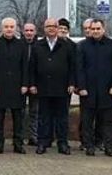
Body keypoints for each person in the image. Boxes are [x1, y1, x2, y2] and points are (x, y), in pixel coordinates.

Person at [29, 16, 78, 155]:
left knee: (62, 117)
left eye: (54, 26)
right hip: (43, 87)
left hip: (62, 88)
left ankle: (62, 143)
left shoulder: (67, 46)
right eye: (48, 26)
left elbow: (72, 67)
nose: (51, 29)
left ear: (57, 29)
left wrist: (72, 83)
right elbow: (31, 67)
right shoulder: (37, 45)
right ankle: (42, 143)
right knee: (44, 117)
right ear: (44, 29)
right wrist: (32, 84)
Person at [76, 18, 112, 157]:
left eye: (98, 29)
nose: (95, 31)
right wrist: (81, 87)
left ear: (103, 29)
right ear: (89, 30)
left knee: (107, 122)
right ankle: (89, 146)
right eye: (93, 29)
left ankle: (109, 147)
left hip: (108, 91)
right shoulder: (82, 46)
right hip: (88, 91)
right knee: (87, 122)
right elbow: (79, 69)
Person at [0, 17, 30, 154]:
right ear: (2, 28)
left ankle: (18, 144)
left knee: (19, 118)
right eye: (6, 27)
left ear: (15, 28)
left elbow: (25, 66)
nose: (9, 29)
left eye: (12, 27)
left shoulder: (22, 44)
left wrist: (25, 84)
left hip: (17, 87)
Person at [21, 21, 40, 147]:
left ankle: (34, 137)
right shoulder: (18, 45)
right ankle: (20, 137)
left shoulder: (40, 46)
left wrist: (35, 84)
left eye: (31, 30)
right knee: (20, 112)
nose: (29, 33)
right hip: (20, 84)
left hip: (35, 85)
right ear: (23, 32)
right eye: (26, 30)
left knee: (35, 112)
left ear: (35, 32)